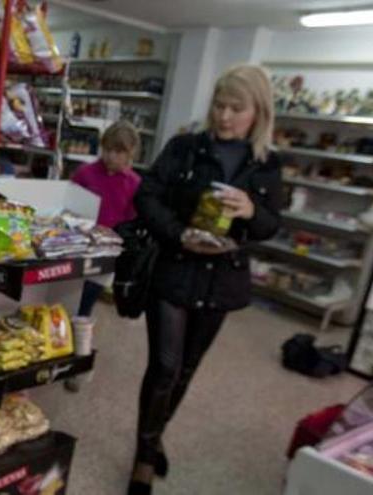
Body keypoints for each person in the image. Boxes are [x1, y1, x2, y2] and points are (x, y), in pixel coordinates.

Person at [127, 65, 282, 495]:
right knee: (164, 366)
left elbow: (271, 225)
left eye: (237, 107)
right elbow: (146, 194)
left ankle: (154, 437)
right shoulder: (183, 147)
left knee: (186, 370)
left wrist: (251, 211)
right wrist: (179, 234)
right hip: (174, 270)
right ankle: (143, 457)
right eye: (220, 104)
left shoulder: (267, 165)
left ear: (258, 113)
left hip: (221, 281)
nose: (225, 115)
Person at [64, 121, 142, 393]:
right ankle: (60, 352)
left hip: (105, 257)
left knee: (85, 307)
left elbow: (132, 224)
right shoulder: (85, 173)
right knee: (66, 301)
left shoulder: (134, 184)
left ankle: (80, 363)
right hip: (76, 249)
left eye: (120, 152)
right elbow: (68, 205)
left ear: (131, 154)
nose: (112, 157)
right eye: (108, 150)